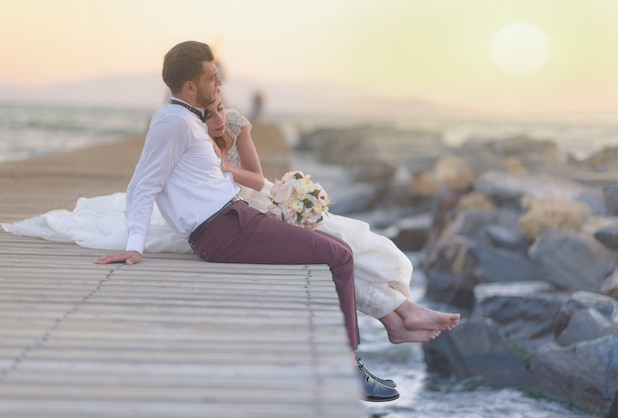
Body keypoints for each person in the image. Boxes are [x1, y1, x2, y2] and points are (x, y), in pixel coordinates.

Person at [91, 40, 398, 403]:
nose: (219, 82)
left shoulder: (188, 119)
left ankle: (346, 358)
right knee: (340, 256)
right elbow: (143, 185)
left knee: (338, 248)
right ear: (190, 87)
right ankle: (347, 368)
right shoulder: (173, 124)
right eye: (211, 77)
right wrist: (134, 247)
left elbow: (212, 181)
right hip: (225, 230)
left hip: (236, 218)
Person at [205, 92, 460, 346]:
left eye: (220, 107)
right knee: (333, 253)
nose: (218, 117)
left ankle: (402, 314)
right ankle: (398, 317)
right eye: (209, 113)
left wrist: (229, 169)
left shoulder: (235, 122)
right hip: (234, 215)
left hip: (262, 200)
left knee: (344, 242)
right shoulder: (191, 135)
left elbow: (257, 178)